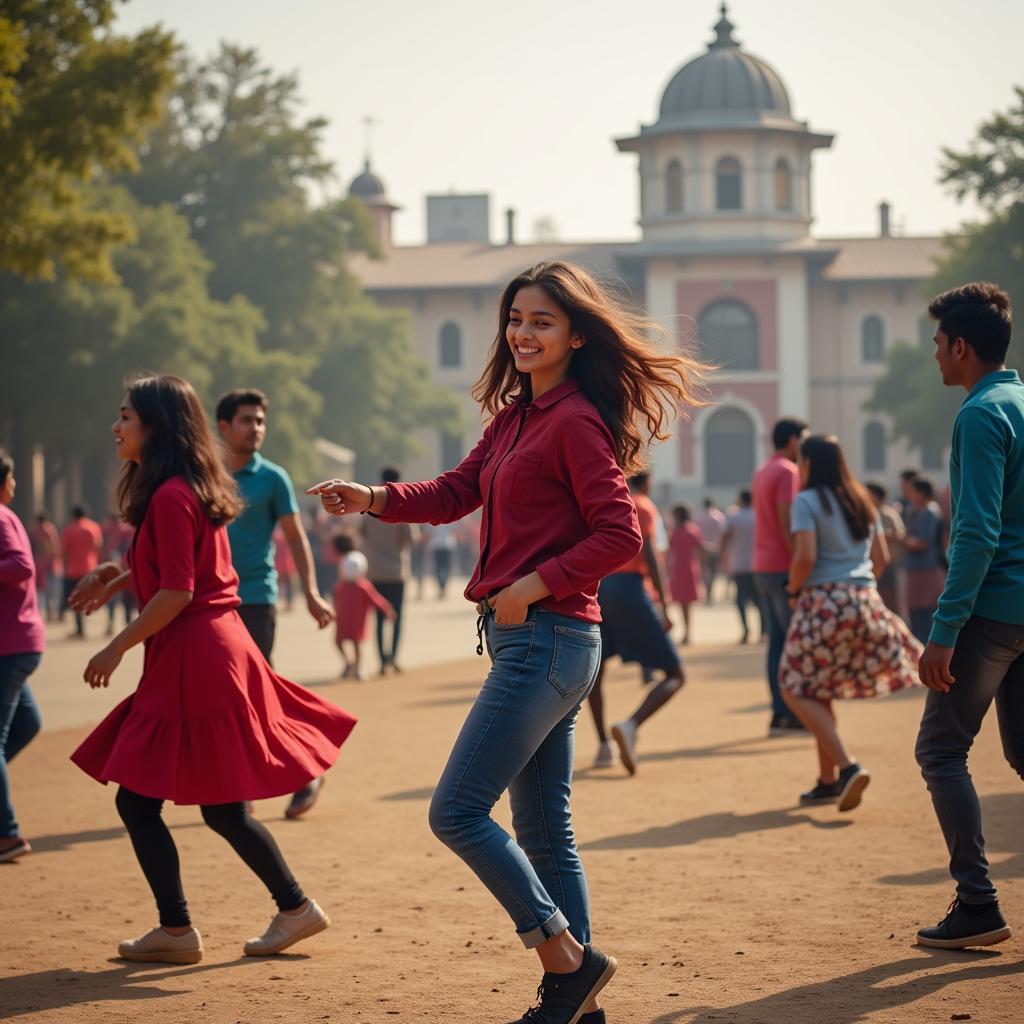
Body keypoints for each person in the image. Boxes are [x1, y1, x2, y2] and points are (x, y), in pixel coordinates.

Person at [309, 260, 706, 1024]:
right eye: (516, 319)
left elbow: (618, 530)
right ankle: (577, 1001)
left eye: (542, 322)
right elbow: (457, 490)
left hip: (549, 639)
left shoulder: (576, 421)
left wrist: (533, 584)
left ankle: (568, 960)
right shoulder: (516, 418)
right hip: (541, 644)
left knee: (456, 811)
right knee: (544, 830)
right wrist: (373, 498)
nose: (523, 333)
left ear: (575, 334)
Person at [68, 374, 356, 964]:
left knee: (142, 801)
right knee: (217, 805)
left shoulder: (173, 495)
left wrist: (115, 646)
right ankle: (290, 908)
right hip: (207, 651)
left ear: (155, 425)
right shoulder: (184, 488)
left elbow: (177, 590)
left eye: (126, 415)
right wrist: (116, 574)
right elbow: (175, 567)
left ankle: (180, 929)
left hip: (197, 654)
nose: (117, 426)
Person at [914, 283, 1023, 950]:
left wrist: (943, 631)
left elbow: (977, 533)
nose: (934, 357)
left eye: (936, 345)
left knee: (940, 749)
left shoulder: (980, 413)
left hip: (990, 612)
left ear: (961, 345)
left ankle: (978, 902)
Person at [779, 435, 921, 811]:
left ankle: (846, 766)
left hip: (823, 600)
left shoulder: (806, 501)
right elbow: (882, 557)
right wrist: (858, 581)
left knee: (792, 685)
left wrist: (793, 590)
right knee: (816, 685)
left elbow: (805, 558)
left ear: (809, 465)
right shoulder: (862, 501)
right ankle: (827, 781)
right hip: (864, 599)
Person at [216, 388, 335, 819]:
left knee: (252, 695)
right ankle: (242, 782)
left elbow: (295, 536)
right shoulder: (206, 476)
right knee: (224, 697)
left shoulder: (273, 478)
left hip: (255, 600)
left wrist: (311, 592)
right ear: (224, 426)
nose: (256, 428)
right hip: (210, 604)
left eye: (260, 421)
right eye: (247, 420)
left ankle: (299, 773)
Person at [588, 471, 687, 776]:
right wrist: (666, 605)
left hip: (599, 588)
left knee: (595, 673)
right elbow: (650, 556)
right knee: (675, 674)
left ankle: (604, 744)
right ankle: (631, 725)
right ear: (647, 481)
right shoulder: (642, 504)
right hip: (630, 587)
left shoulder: (604, 500)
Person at [0, 451, 45, 863]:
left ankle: (6, 834)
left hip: (9, 644)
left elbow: (20, 565)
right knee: (28, 723)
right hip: (19, 641)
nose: (15, 485)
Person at [753, 417, 809, 735]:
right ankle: (794, 713)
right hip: (783, 567)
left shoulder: (763, 470)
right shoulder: (789, 472)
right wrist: (799, 561)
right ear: (792, 440)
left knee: (777, 642)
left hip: (763, 566)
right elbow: (789, 521)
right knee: (795, 644)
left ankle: (779, 712)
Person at [359, 466, 416, 675]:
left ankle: (382, 660)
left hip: (374, 570)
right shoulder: (402, 506)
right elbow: (411, 539)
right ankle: (393, 657)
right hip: (396, 571)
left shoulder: (370, 507)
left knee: (379, 617)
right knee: (397, 616)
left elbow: (362, 533)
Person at [333, 550, 396, 680]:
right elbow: (335, 603)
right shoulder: (340, 587)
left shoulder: (363, 586)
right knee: (339, 642)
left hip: (355, 622)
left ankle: (357, 668)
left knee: (355, 644)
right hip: (343, 621)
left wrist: (386, 609)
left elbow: (376, 599)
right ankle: (349, 664)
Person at [903, 478, 947, 644]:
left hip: (927, 570)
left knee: (927, 616)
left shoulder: (929, 512)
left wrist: (901, 540)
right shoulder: (918, 511)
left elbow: (922, 543)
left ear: (921, 493)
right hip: (919, 569)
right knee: (916, 615)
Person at [720, 489, 760, 644]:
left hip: (739, 563)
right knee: (758, 599)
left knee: (741, 600)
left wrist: (722, 555)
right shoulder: (758, 516)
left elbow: (725, 537)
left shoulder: (733, 516)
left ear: (740, 500)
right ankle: (763, 630)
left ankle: (745, 630)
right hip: (756, 563)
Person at [666, 503, 704, 645]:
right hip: (690, 568)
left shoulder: (674, 532)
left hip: (678, 569)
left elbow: (668, 551)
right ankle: (688, 631)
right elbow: (701, 547)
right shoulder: (693, 530)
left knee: (682, 603)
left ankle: (686, 632)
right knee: (687, 603)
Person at [61, 504, 101, 638]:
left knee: (77, 600)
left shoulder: (69, 529)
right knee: (91, 596)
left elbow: (64, 552)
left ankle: (80, 627)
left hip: (74, 569)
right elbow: (97, 545)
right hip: (90, 568)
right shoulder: (93, 527)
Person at [865, 482, 906, 614]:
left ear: (876, 496)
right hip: (871, 564)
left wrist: (885, 536)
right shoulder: (867, 513)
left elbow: (901, 536)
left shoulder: (889, 514)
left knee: (889, 600)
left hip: (890, 565)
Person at [100, 511, 136, 636]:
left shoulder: (108, 530)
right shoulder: (126, 531)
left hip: (113, 568)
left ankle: (113, 623)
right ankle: (128, 622)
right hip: (126, 567)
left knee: (113, 596)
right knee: (127, 598)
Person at [29, 511, 62, 622]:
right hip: (49, 564)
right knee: (51, 591)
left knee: (38, 590)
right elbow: (54, 547)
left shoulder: (34, 530)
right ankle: (49, 613)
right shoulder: (49, 529)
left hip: (37, 562)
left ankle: (38, 611)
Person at [694, 497, 725, 603]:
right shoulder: (718, 516)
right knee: (713, 571)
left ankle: (706, 593)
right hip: (715, 547)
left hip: (702, 547)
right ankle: (710, 593)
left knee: (704, 571)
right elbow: (722, 532)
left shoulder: (699, 517)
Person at [428, 521, 457, 599]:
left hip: (439, 546)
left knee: (439, 568)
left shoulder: (433, 518)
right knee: (444, 569)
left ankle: (442, 588)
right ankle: (443, 587)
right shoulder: (450, 518)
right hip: (445, 546)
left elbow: (429, 533)